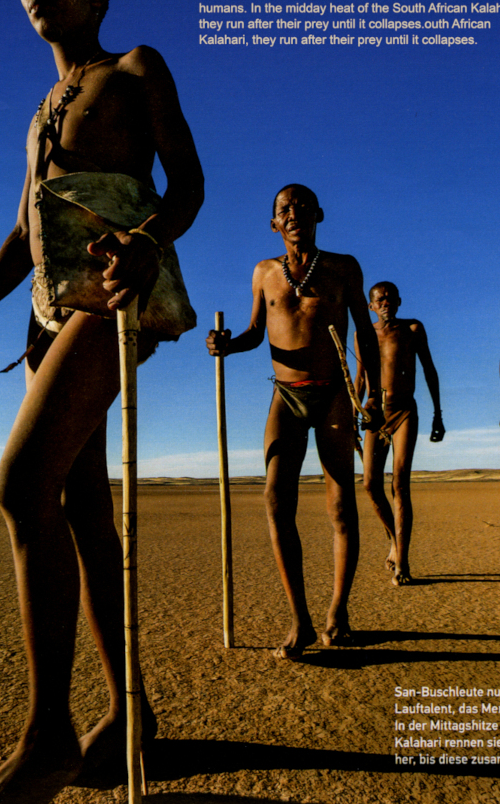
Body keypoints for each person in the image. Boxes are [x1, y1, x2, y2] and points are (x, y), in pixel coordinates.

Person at [0, 0, 203, 804]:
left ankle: (48, 741)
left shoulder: (135, 69)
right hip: (49, 308)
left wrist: (146, 244)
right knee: (81, 507)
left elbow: (186, 184)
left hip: (115, 295)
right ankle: (131, 712)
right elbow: (25, 234)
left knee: (19, 482)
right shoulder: (41, 110)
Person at [206, 184, 381, 659]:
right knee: (275, 500)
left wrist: (376, 397)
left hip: (334, 400)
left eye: (302, 206)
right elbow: (256, 333)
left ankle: (337, 613)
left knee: (341, 505)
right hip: (285, 395)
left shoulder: (344, 268)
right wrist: (227, 344)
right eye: (284, 209)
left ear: (319, 214)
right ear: (274, 223)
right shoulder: (265, 272)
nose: (294, 213)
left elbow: (365, 334)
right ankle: (300, 619)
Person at [354, 282, 444, 586]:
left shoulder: (413, 329)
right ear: (371, 306)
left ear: (400, 301)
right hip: (374, 415)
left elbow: (429, 369)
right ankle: (395, 539)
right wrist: (354, 413)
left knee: (399, 483)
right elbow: (361, 378)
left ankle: (402, 563)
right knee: (369, 484)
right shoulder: (362, 333)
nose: (385, 302)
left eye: (390, 298)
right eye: (379, 299)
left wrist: (438, 414)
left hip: (404, 411)